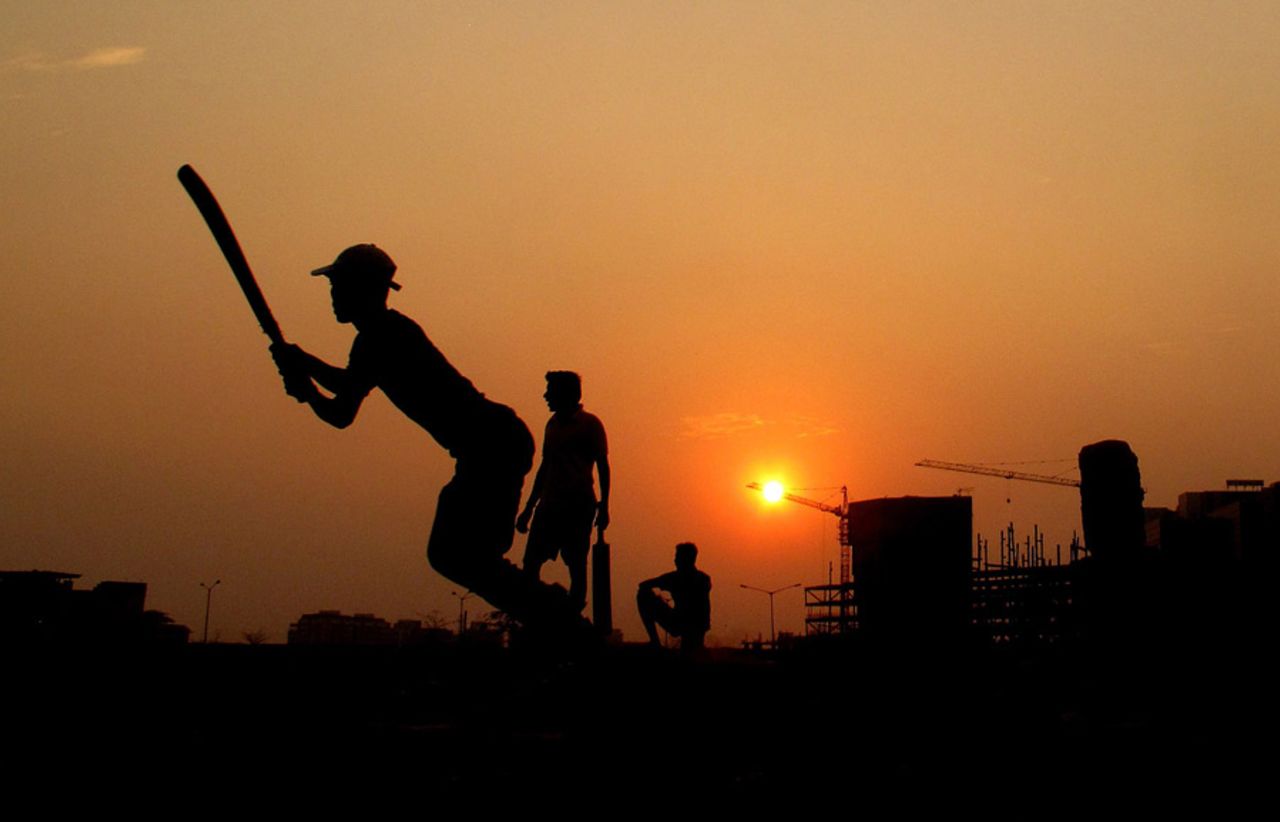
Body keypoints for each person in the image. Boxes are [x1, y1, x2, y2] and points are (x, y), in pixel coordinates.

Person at [270, 244, 577, 629]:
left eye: (338, 286)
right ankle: (551, 616)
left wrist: (302, 365)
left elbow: (344, 391)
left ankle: (554, 616)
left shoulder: (387, 333)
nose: (332, 296)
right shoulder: (373, 339)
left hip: (493, 444)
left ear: (361, 289)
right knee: (460, 555)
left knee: (457, 554)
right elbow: (341, 412)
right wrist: (307, 390)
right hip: (487, 448)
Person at [516, 371, 610, 612]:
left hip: (578, 506)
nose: (546, 396)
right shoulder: (551, 425)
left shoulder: (590, 424)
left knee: (577, 564)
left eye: (551, 391)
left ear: (565, 393)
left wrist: (605, 506)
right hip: (549, 505)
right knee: (531, 562)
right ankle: (534, 612)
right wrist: (528, 508)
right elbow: (545, 466)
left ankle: (573, 614)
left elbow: (603, 467)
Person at [637, 542, 712, 651]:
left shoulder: (675, 578)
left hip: (685, 623)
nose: (675, 560)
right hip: (696, 625)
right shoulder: (704, 578)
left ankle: (655, 642)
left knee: (643, 595)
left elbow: (643, 585)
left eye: (677, 557)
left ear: (685, 559)